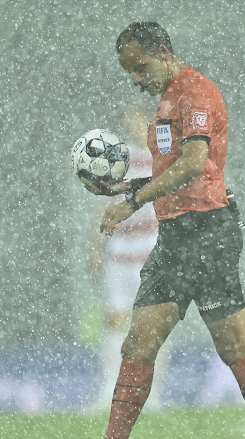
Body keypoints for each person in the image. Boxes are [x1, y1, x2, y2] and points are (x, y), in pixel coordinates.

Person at [45, 21, 245, 439]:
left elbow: (194, 164)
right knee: (138, 343)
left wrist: (132, 202)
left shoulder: (195, 92)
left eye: (140, 67)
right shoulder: (162, 105)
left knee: (234, 347)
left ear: (163, 52)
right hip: (177, 236)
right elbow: (166, 176)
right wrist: (120, 188)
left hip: (209, 231)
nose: (136, 79)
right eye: (129, 73)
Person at [88, 103, 166, 413]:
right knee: (115, 319)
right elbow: (104, 204)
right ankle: (110, 388)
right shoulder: (118, 159)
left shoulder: (160, 158)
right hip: (120, 252)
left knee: (150, 324)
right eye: (130, 119)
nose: (134, 124)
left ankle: (151, 392)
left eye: (139, 118)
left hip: (149, 250)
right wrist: (96, 247)